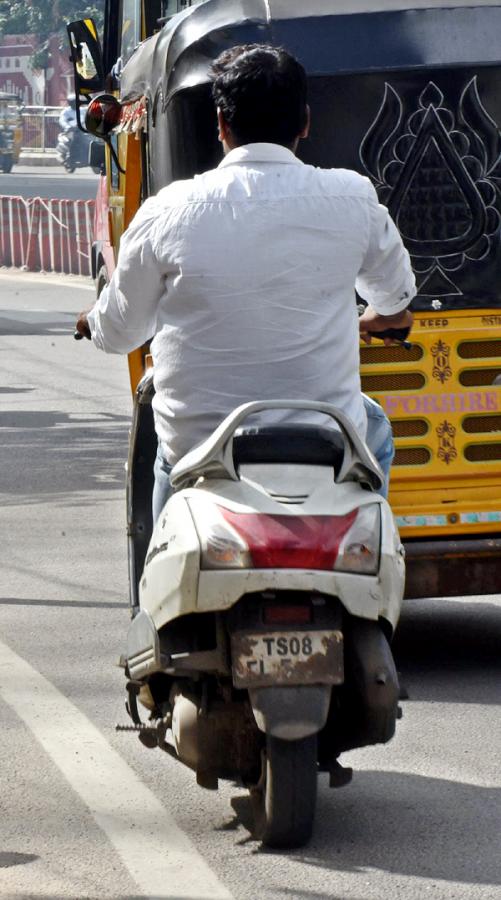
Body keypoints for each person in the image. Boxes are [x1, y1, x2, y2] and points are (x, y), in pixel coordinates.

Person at [76, 44, 415, 521]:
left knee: (166, 457)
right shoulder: (352, 197)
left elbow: (121, 331)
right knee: (373, 424)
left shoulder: (167, 211)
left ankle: (153, 584)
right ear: (305, 123)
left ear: (221, 123)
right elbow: (396, 300)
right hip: (324, 442)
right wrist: (375, 320)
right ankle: (369, 541)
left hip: (200, 450)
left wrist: (91, 321)